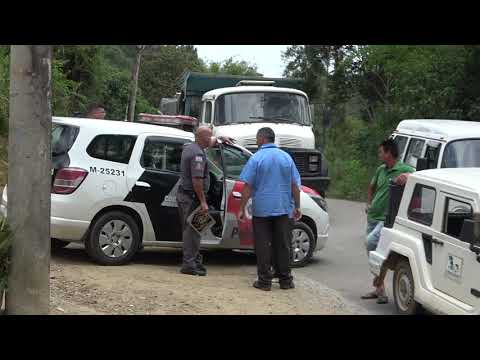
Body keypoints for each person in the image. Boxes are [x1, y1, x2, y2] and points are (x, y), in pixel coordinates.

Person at [239, 127, 302, 291]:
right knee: (283, 244)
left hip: (262, 211)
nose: (256, 141)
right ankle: (286, 280)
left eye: (257, 138)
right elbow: (295, 185)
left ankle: (265, 281)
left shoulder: (256, 158)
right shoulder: (286, 157)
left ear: (262, 139)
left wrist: (241, 208)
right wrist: (297, 206)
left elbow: (247, 187)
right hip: (283, 209)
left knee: (262, 245)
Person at [362, 138, 414, 304]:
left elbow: (422, 176)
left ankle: (379, 283)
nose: (379, 155)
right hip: (373, 216)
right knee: (374, 254)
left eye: (381, 152)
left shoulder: (404, 168)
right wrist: (369, 203)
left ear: (389, 153)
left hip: (386, 219)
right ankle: (380, 289)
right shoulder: (380, 170)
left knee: (371, 243)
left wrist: (408, 175)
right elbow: (371, 187)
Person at [176, 126, 233, 276]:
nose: (210, 139)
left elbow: (210, 140)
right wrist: (203, 201)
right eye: (209, 137)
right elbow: (197, 181)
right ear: (201, 138)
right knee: (193, 232)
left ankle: (193, 261)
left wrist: (220, 140)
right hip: (193, 198)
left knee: (193, 230)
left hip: (186, 196)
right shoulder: (197, 155)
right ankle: (189, 265)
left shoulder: (191, 146)